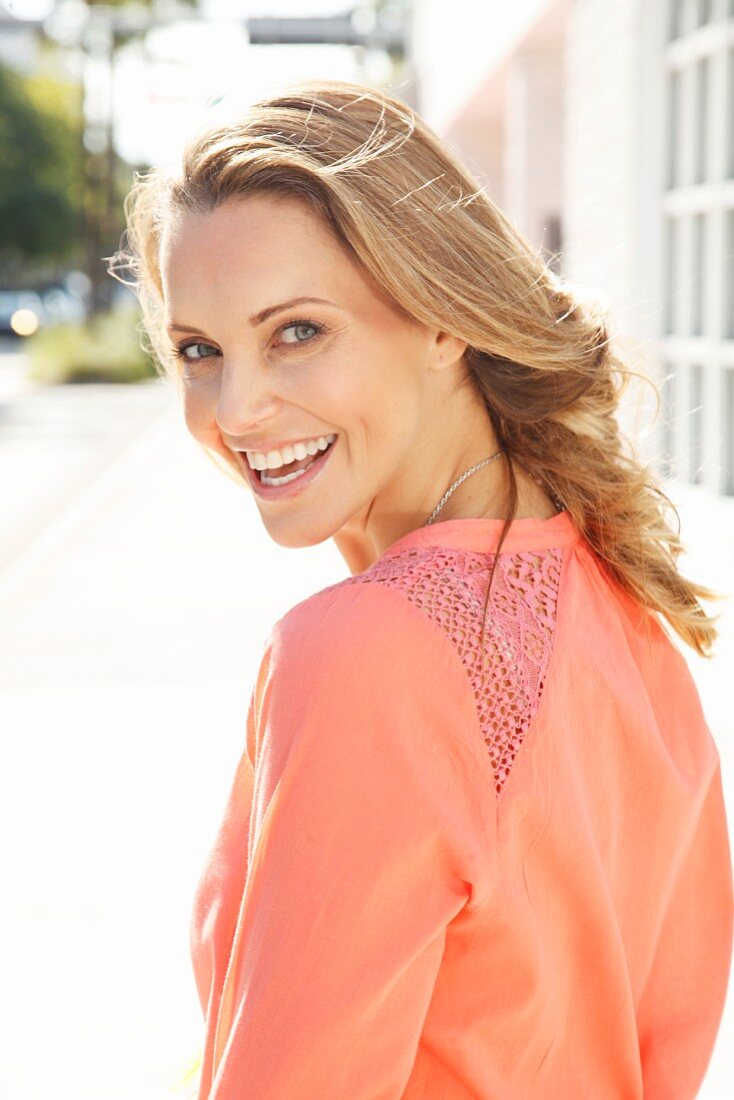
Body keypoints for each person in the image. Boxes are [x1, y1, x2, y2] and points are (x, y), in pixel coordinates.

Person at [113, 78, 733, 1099]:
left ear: (443, 318)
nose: (239, 406)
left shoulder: (366, 656)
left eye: (297, 331)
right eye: (199, 350)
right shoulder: (625, 604)